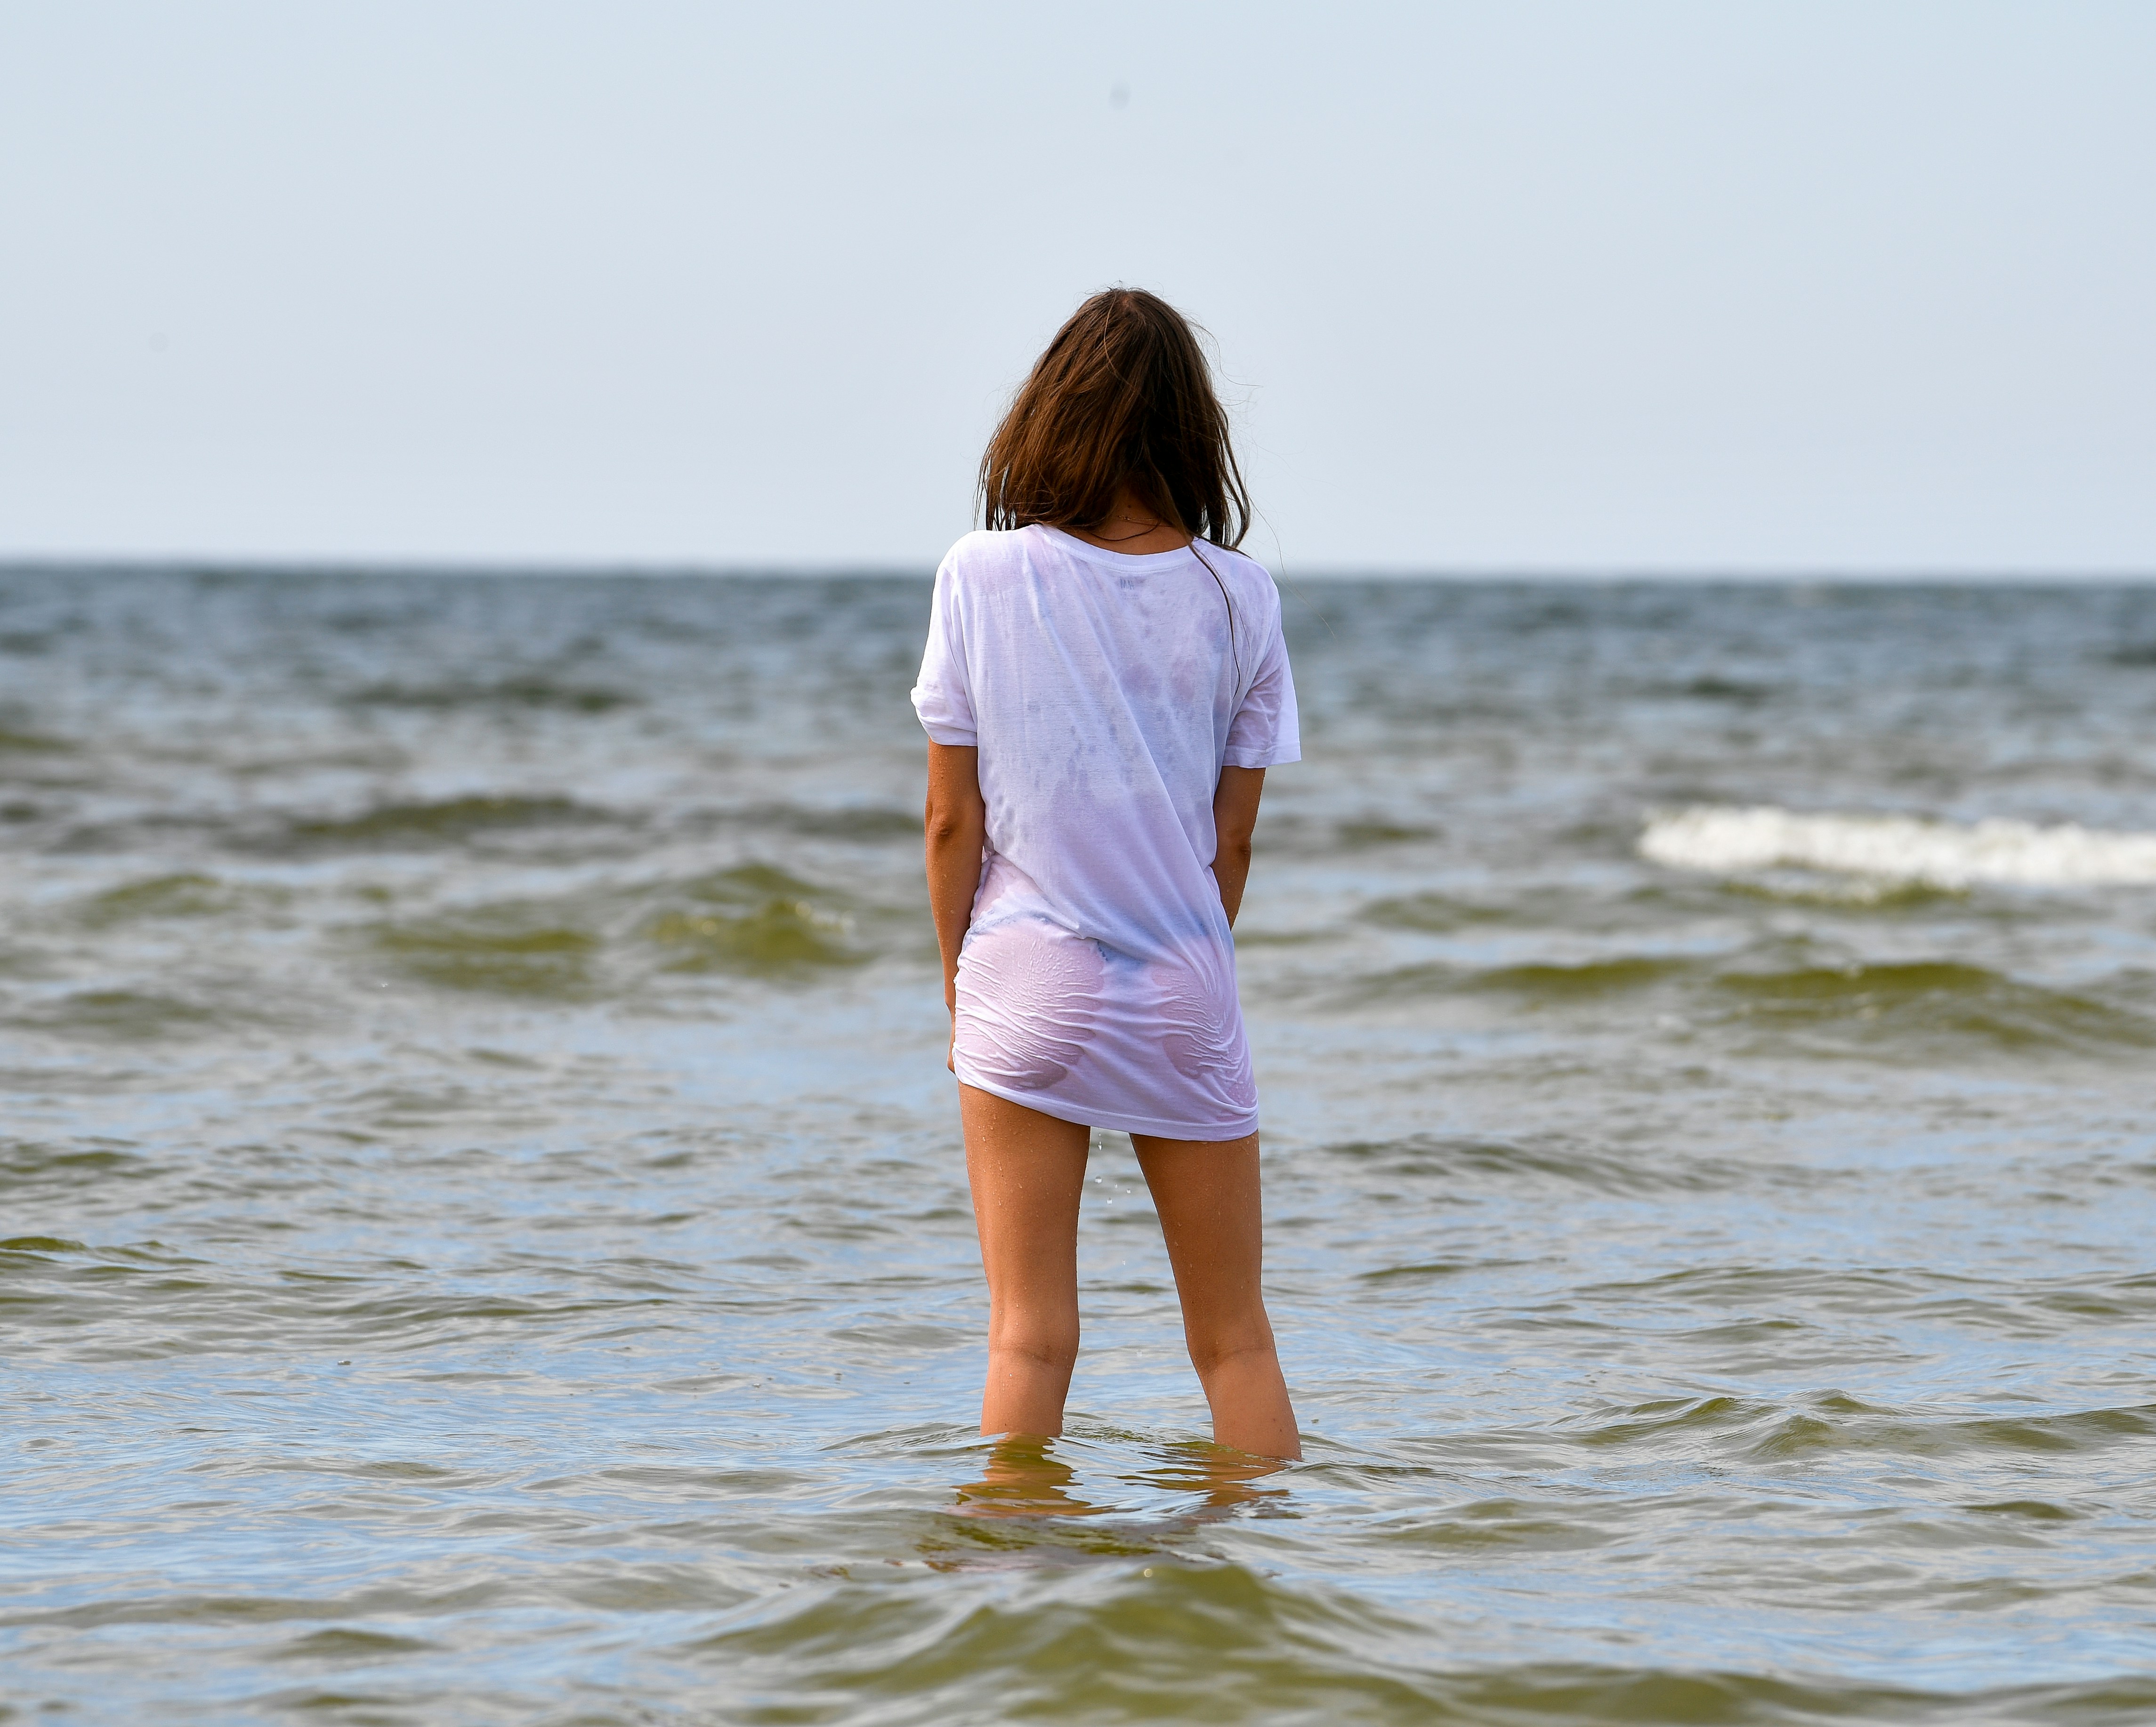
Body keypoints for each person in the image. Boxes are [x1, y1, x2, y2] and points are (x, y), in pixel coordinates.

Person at [911, 288, 1302, 1461]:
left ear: (1048, 415)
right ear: (1192, 428)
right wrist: (1181, 945)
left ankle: (1013, 1591)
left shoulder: (980, 576)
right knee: (1234, 1341)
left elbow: (948, 821)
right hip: (1184, 979)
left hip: (1026, 973)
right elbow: (1229, 841)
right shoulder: (1241, 597)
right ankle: (1267, 1607)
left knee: (1029, 1340)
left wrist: (958, 978)